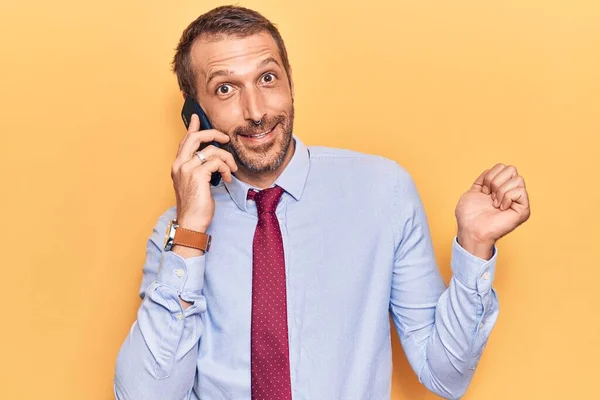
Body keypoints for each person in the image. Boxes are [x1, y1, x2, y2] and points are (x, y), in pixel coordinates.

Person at [114, 5, 531, 400]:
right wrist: (189, 234)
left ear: (290, 82)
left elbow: (446, 375)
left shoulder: (381, 191)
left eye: (267, 78)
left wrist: (475, 247)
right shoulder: (178, 232)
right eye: (225, 89)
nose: (256, 111)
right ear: (195, 114)